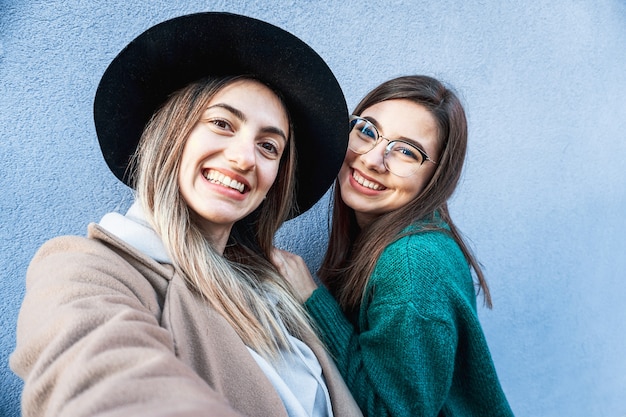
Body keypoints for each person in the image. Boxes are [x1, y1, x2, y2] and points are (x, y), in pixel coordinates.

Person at [10, 12, 363, 417]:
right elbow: (98, 380)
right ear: (172, 134)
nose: (245, 157)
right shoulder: (86, 270)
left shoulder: (271, 290)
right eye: (221, 123)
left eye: (269, 146)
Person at [272, 75, 515, 416]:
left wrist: (312, 300)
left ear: (436, 176)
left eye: (405, 151)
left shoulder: (412, 263)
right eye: (367, 131)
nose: (372, 159)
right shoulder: (398, 238)